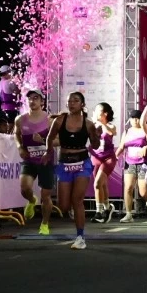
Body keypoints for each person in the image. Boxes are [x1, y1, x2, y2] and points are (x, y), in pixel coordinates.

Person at [48, 92, 100, 250]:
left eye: (76, 101)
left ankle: (80, 237)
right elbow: (49, 138)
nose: (72, 103)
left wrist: (96, 136)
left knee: (77, 200)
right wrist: (46, 153)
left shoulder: (88, 124)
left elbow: (95, 145)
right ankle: (73, 209)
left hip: (82, 163)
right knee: (63, 205)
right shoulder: (59, 120)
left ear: (82, 104)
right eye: (69, 101)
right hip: (65, 163)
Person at [15, 91, 55, 234]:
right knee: (24, 188)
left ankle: (44, 224)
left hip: (46, 161)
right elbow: (16, 134)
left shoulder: (49, 120)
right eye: (30, 98)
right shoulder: (20, 119)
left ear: (42, 102)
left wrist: (43, 141)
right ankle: (32, 200)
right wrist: (20, 147)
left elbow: (58, 141)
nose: (32, 101)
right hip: (29, 159)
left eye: (36, 98)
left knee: (46, 195)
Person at [116, 109, 147, 223]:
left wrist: (146, 148)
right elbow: (121, 146)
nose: (135, 120)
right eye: (133, 118)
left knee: (143, 191)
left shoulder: (145, 130)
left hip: (143, 163)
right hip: (129, 163)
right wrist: (115, 156)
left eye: (137, 118)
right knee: (128, 187)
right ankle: (129, 214)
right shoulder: (127, 131)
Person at [90, 103, 118, 223]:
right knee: (102, 184)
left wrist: (101, 123)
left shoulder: (111, 126)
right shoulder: (92, 126)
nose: (95, 112)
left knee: (97, 184)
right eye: (95, 110)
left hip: (108, 158)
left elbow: (111, 132)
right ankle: (107, 208)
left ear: (105, 114)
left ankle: (99, 212)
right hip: (96, 157)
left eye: (98, 110)